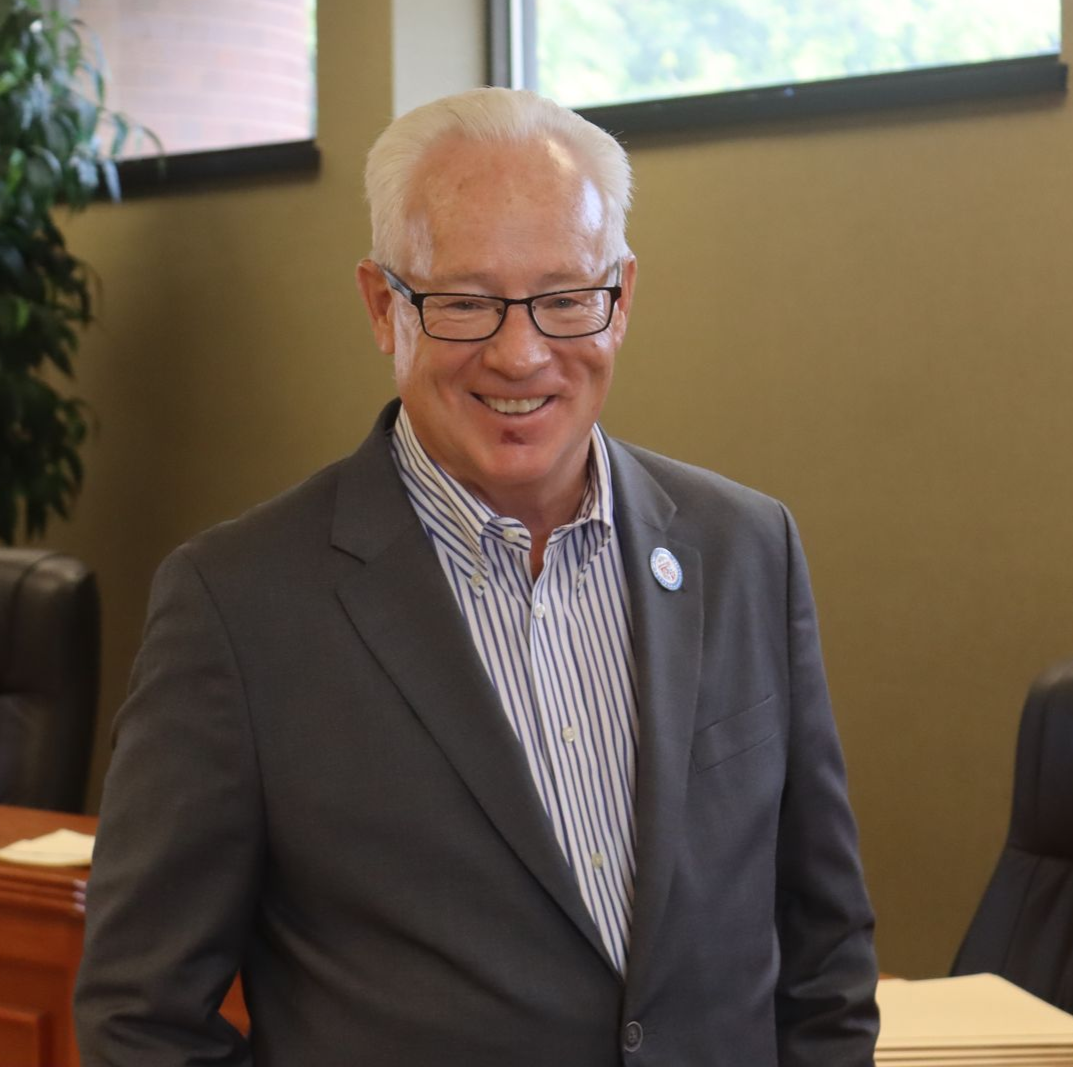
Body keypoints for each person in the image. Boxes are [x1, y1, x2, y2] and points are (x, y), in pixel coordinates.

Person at [75, 86, 878, 1066]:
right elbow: (141, 1017)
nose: (522, 352)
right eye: (463, 302)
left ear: (620, 299)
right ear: (383, 306)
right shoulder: (237, 608)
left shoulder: (747, 548)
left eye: (565, 296)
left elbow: (823, 954)